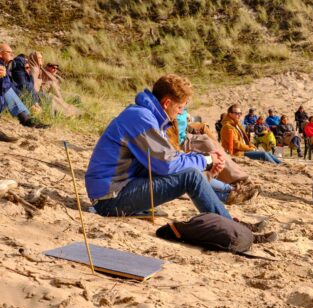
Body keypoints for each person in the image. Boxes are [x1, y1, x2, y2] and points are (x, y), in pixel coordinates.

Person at [84, 74, 233, 218]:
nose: (181, 112)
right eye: (180, 107)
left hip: (118, 188)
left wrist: (205, 162)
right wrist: (206, 160)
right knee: (190, 176)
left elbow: (169, 157)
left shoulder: (149, 117)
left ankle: (227, 218)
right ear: (167, 103)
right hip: (109, 198)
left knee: (189, 172)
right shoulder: (141, 117)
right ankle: (230, 227)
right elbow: (167, 164)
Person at [0, 64, 49, 129]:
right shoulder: (19, 71)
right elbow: (25, 86)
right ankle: (25, 118)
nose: (29, 69)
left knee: (8, 92)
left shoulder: (4, 65)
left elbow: (10, 87)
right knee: (7, 91)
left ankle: (25, 118)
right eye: (26, 67)